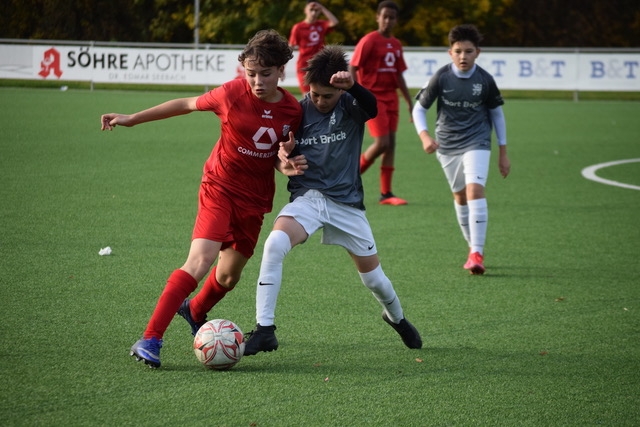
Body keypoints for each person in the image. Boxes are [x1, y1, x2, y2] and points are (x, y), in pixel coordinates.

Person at [100, 29, 305, 368]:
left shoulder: (292, 110)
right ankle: (150, 338)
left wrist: (288, 166)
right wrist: (132, 119)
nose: (257, 81)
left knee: (228, 278)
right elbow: (185, 104)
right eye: (251, 73)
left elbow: (276, 158)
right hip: (219, 187)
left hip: (254, 201)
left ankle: (194, 310)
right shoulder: (232, 93)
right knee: (199, 262)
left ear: (282, 70)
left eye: (265, 74)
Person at [240, 45, 422, 356]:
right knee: (274, 244)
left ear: (340, 89)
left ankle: (397, 318)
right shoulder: (297, 112)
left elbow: (373, 108)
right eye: (315, 94)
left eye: (327, 96)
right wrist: (287, 155)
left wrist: (353, 87)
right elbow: (281, 154)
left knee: (374, 280)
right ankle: (264, 330)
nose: (320, 101)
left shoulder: (351, 104)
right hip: (308, 198)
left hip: (346, 204)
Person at [411, 24, 511, 275]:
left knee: (474, 189)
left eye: (468, 51)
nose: (463, 56)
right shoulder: (441, 77)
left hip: (478, 140)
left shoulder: (485, 80)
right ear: (450, 53)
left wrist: (503, 151)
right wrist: (425, 137)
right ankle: (471, 247)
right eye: (458, 51)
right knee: (460, 196)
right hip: (447, 144)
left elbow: (497, 115)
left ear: (477, 52)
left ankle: (477, 252)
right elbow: (419, 109)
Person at [349, 0, 412, 206]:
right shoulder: (369, 40)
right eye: (384, 16)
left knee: (391, 144)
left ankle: (386, 193)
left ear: (396, 20)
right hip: (373, 97)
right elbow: (353, 67)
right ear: (377, 17)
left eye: (391, 17)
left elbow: (399, 75)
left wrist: (409, 101)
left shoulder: (396, 44)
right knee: (382, 143)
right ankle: (349, 177)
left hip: (391, 97)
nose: (387, 21)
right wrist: (357, 94)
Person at [289, 1, 339, 96]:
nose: (313, 13)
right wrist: (282, 65)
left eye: (316, 10)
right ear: (305, 10)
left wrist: (322, 8)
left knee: (322, 93)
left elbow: (335, 22)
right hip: (304, 65)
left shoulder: (321, 24)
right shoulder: (298, 27)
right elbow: (290, 47)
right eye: (311, 9)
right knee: (307, 95)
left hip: (321, 64)